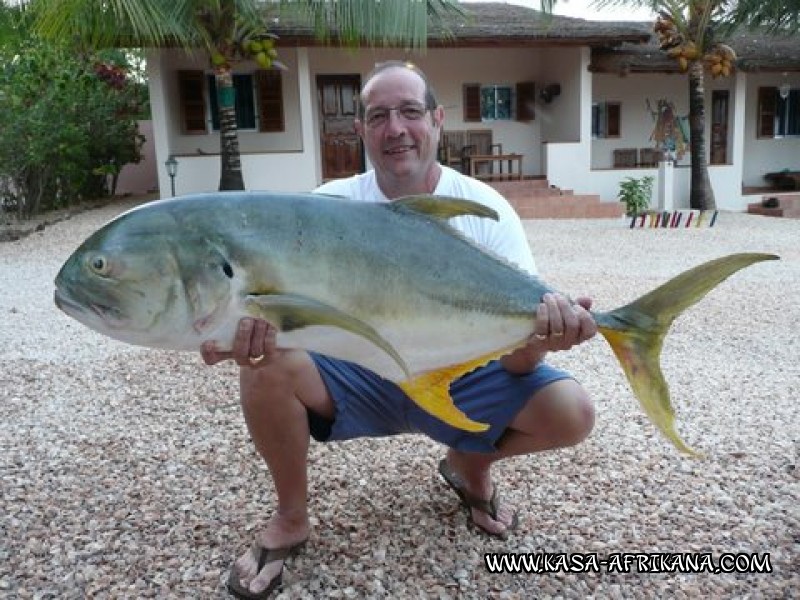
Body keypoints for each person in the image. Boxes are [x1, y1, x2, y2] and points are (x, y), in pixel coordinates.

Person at [203, 61, 597, 599]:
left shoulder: (486, 209)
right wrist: (242, 336)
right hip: (359, 373)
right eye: (379, 116)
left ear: (436, 121)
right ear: (361, 130)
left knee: (572, 411)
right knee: (263, 365)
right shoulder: (329, 206)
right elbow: (292, 318)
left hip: (462, 376)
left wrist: (538, 340)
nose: (396, 129)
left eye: (411, 112)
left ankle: (469, 463)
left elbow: (515, 362)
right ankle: (292, 516)